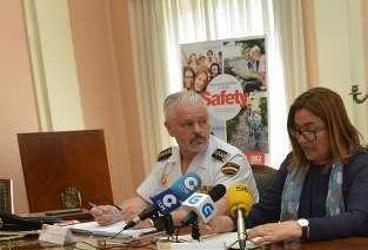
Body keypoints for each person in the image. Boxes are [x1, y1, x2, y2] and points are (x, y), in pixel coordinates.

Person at [212, 87, 368, 244]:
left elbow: (359, 220)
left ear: (335, 128)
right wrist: (227, 222)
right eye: (297, 130)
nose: (301, 139)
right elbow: (265, 211)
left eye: (310, 130)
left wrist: (300, 227)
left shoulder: (360, 163)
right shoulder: (293, 163)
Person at [90, 91, 259, 228]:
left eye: (203, 121)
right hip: (176, 240)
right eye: (188, 124)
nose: (198, 130)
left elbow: (217, 209)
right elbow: (144, 200)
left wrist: (153, 222)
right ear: (169, 128)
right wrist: (116, 212)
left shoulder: (230, 159)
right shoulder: (167, 159)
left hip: (223, 243)